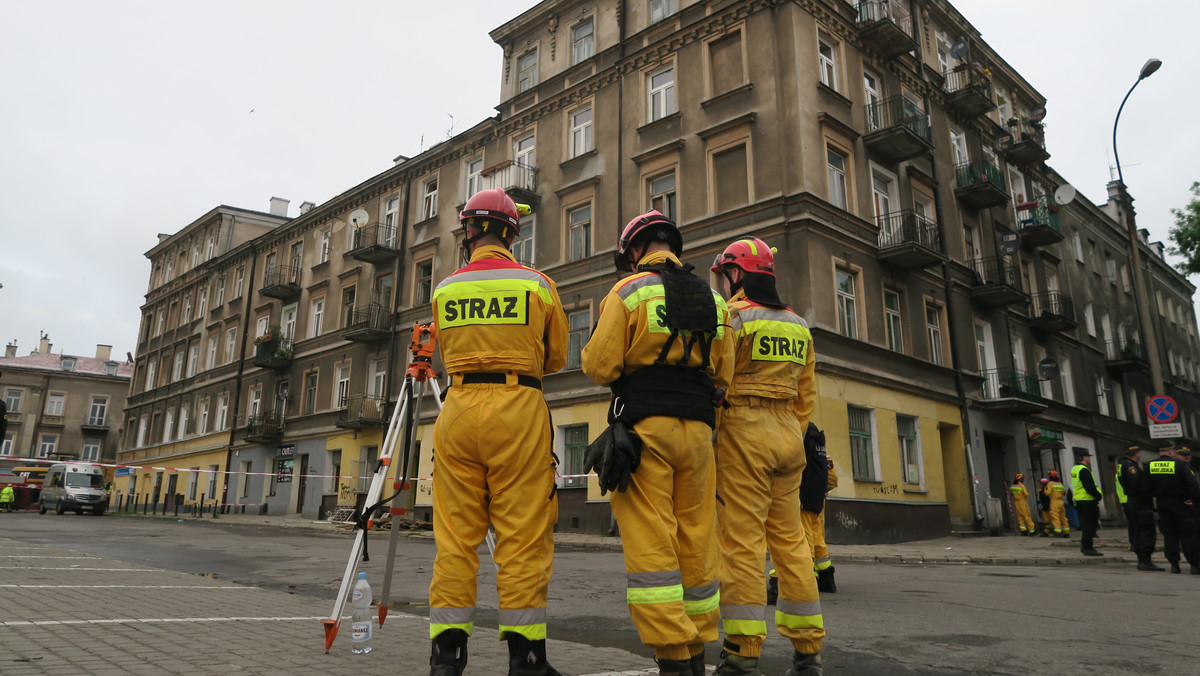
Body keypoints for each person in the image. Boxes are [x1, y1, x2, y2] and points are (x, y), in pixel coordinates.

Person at [581, 210, 734, 676]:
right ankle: (698, 645)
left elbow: (599, 366)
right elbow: (724, 376)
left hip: (647, 430)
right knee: (696, 537)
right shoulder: (714, 300)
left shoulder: (628, 291)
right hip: (700, 432)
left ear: (633, 251)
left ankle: (673, 653)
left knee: (653, 543)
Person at [427, 188, 569, 676]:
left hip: (458, 407)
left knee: (455, 541)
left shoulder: (444, 289)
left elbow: (443, 352)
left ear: (470, 232)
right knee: (523, 540)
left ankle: (447, 658)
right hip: (518, 408)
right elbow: (556, 359)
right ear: (513, 232)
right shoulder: (538, 285)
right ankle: (527, 661)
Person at [709, 238, 824, 676]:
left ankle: (741, 652)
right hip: (788, 437)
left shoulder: (734, 318)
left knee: (742, 543)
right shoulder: (799, 325)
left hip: (744, 434)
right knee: (791, 542)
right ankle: (808, 649)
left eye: (725, 275)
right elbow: (806, 396)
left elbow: (719, 380)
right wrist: (790, 431)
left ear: (736, 274)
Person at [1147, 444, 1200, 575]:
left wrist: (1151, 504)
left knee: (1169, 535)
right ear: (1171, 452)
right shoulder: (1179, 465)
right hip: (1181, 504)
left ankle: (1174, 565)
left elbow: (1145, 487)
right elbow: (1193, 484)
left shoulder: (1149, 465)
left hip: (1162, 503)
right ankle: (1194, 565)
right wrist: (1194, 500)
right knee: (1187, 534)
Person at [1116, 444, 1162, 571]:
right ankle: (1145, 560)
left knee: (1136, 530)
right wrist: (1149, 497)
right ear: (1136, 454)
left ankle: (1142, 560)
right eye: (1138, 452)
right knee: (1146, 531)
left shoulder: (1121, 464)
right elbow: (1137, 484)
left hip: (1132, 502)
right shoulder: (1131, 466)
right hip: (1139, 503)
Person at [1070, 451, 1103, 556]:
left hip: (1079, 501)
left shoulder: (1075, 469)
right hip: (1088, 501)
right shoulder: (1084, 470)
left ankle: (1085, 546)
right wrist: (1098, 496)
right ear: (1084, 457)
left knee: (1085, 525)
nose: (1089, 459)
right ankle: (1088, 547)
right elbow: (1089, 486)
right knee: (1090, 525)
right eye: (1088, 457)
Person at [1044, 470, 1069, 538]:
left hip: (1054, 501)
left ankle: (1058, 532)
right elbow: (1064, 493)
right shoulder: (1060, 484)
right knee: (1063, 517)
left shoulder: (1050, 484)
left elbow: (1048, 493)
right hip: (1061, 502)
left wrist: (1045, 488)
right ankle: (1066, 532)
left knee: (1055, 517)